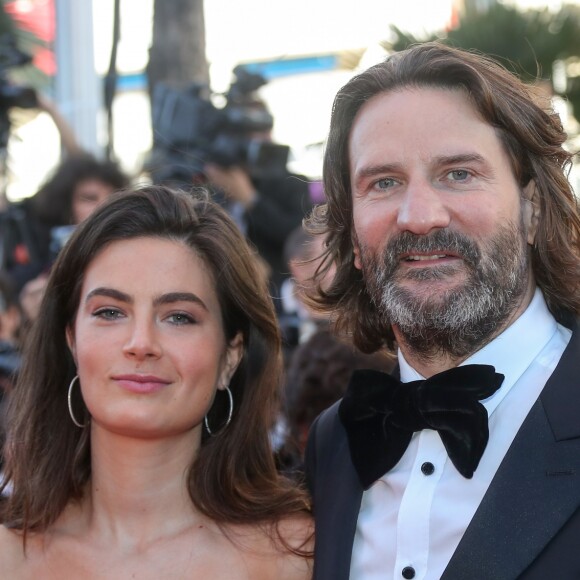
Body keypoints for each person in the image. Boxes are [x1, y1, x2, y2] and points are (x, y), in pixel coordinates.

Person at [304, 42, 580, 579]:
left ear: (533, 208)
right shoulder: (334, 443)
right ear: (353, 239)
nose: (420, 216)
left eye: (458, 173)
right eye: (384, 183)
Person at [0, 185, 313, 577]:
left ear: (230, 357)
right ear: (72, 341)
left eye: (179, 317)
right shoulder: (10, 555)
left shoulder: (294, 555)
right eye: (111, 312)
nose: (141, 344)